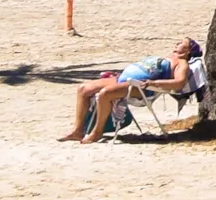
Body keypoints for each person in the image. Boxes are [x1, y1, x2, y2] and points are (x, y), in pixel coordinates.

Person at [65, 37, 200, 142]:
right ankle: (78, 131)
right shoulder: (168, 58)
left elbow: (179, 83)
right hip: (122, 79)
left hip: (140, 87)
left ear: (188, 51)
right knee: (83, 89)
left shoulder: (182, 64)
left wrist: (153, 82)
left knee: (105, 94)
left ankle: (97, 132)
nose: (177, 43)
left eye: (181, 43)